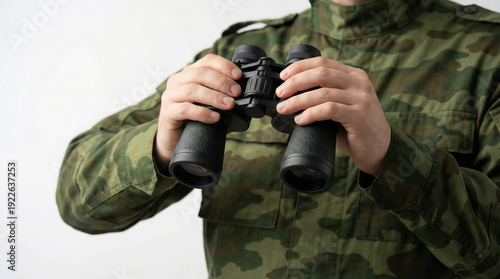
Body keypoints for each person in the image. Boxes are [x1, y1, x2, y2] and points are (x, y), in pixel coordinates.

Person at [56, 0, 500, 277]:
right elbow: (77, 202)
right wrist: (160, 147)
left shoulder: (488, 52)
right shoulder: (244, 48)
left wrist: (392, 157)